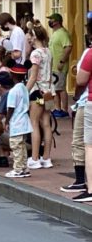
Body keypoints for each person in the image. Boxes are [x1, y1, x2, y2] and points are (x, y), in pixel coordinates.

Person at [26, 24, 55, 170]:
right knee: (46, 123)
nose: (28, 39)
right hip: (49, 91)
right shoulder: (48, 51)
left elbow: (33, 76)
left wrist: (25, 92)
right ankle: (46, 157)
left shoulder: (35, 54)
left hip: (38, 92)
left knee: (34, 123)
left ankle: (35, 158)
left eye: (30, 36)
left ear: (35, 36)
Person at [0, 71, 32, 179]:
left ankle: (18, 169)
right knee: (22, 146)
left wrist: (6, 122)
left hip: (17, 123)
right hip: (24, 121)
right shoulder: (23, 87)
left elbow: (10, 108)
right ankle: (24, 168)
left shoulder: (12, 92)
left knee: (16, 146)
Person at [70, 17, 92, 200]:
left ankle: (87, 185)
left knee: (86, 144)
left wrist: (76, 97)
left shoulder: (89, 53)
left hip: (88, 101)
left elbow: (81, 80)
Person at [47, 13, 73, 119]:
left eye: (51, 20)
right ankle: (57, 108)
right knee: (56, 88)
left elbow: (68, 47)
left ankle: (64, 109)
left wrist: (62, 61)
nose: (50, 22)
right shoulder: (55, 33)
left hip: (59, 66)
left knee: (60, 88)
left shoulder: (62, 33)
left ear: (57, 21)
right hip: (53, 66)